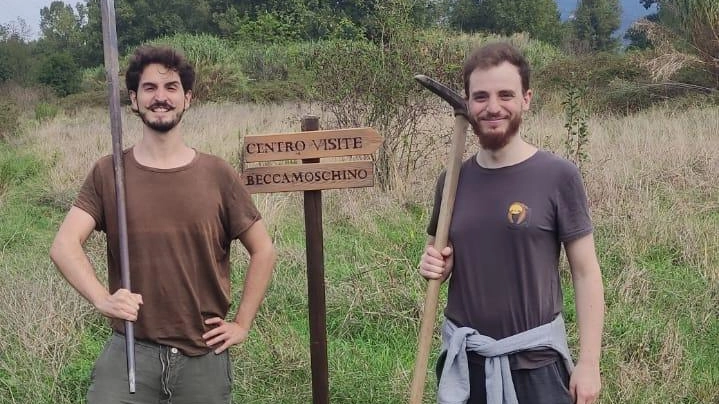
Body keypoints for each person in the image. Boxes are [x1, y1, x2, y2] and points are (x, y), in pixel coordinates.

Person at [50, 45, 276, 403]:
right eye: (150, 88)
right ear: (134, 100)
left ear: (188, 98)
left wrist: (243, 323)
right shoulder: (110, 172)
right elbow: (64, 246)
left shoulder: (217, 174)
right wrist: (102, 299)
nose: (160, 97)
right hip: (131, 351)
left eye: (171, 87)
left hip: (202, 355)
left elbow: (264, 250)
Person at [418, 42, 604, 404]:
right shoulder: (453, 180)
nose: (492, 107)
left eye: (506, 94)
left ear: (526, 99)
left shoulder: (557, 176)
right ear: (468, 104)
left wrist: (589, 362)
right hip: (466, 364)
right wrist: (433, 264)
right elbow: (440, 254)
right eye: (480, 96)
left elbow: (586, 272)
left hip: (537, 365)